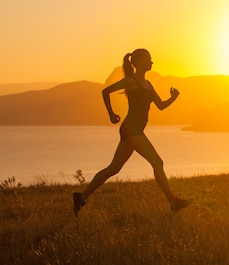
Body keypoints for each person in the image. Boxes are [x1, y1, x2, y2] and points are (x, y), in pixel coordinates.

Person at [73, 49, 192, 216]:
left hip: (135, 130)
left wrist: (173, 97)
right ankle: (173, 202)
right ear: (138, 62)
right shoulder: (131, 81)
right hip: (131, 129)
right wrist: (111, 114)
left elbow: (161, 106)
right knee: (157, 162)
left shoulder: (148, 84)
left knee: (113, 169)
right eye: (148, 59)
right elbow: (105, 91)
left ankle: (81, 197)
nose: (152, 62)